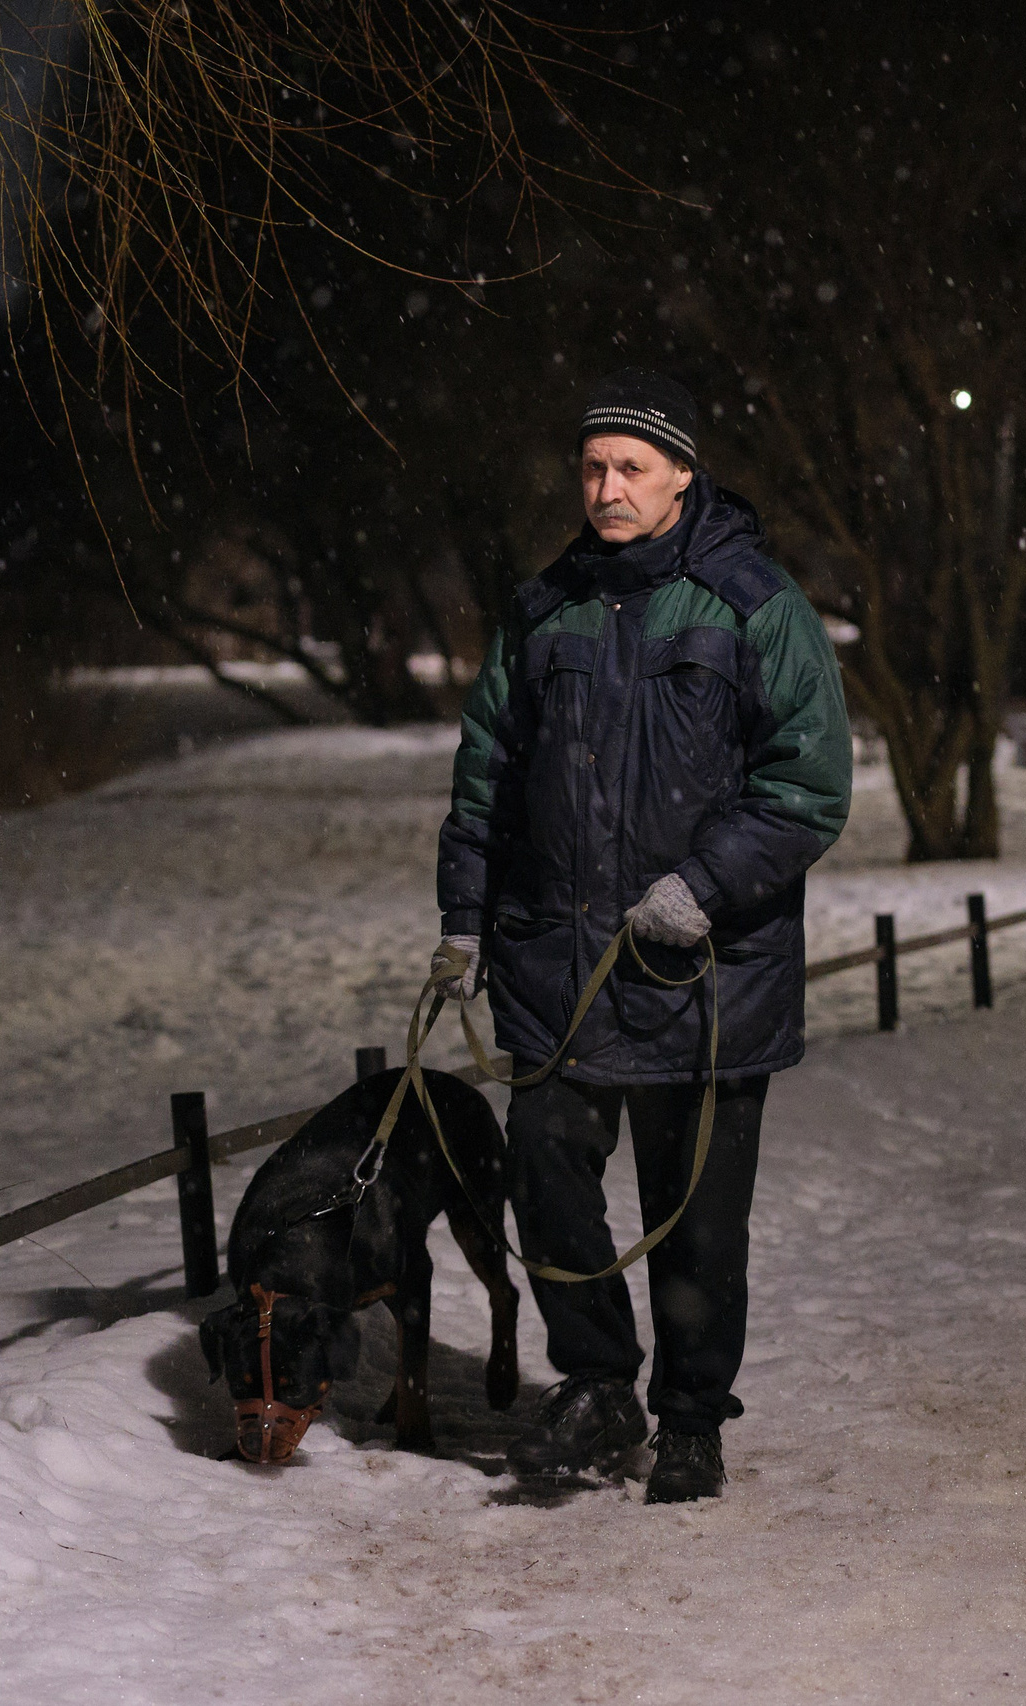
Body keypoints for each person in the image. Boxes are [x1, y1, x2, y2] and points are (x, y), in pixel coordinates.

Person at [433, 367, 852, 1504]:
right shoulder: (542, 610)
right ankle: (597, 1384)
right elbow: (487, 776)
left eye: (629, 467)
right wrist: (462, 916)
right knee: (547, 1170)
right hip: (557, 964)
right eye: (592, 466)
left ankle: (689, 1417)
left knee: (699, 1219)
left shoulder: (752, 603)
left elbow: (808, 784)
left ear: (679, 476)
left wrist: (702, 888)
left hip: (706, 970)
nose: (606, 485)